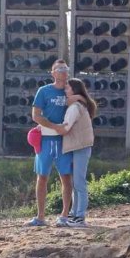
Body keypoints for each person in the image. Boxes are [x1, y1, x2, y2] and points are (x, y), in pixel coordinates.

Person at [27, 59, 73, 227]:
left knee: (66, 177)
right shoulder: (44, 91)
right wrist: (54, 126)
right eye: (59, 69)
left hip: (65, 140)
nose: (63, 71)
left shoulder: (71, 90)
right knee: (42, 176)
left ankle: (64, 215)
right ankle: (40, 217)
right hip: (46, 139)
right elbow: (36, 115)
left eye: (65, 68)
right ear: (52, 73)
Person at [52, 79, 96, 227]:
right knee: (76, 183)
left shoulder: (75, 108)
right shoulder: (79, 104)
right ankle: (74, 214)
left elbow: (66, 127)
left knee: (79, 183)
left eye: (67, 87)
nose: (65, 89)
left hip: (80, 147)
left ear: (74, 90)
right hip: (79, 146)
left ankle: (79, 217)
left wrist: (47, 127)